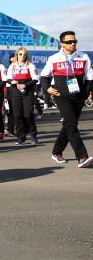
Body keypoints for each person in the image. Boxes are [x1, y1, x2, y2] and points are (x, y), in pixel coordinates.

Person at [41, 31, 93, 167]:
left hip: (78, 96)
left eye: (75, 41)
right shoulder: (54, 58)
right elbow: (44, 76)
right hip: (61, 96)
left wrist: (86, 93)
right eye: (69, 42)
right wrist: (47, 88)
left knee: (69, 125)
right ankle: (82, 156)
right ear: (62, 43)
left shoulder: (84, 57)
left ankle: (56, 152)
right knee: (71, 124)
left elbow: (89, 77)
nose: (73, 44)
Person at [7, 48, 39, 145]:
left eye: (24, 54)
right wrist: (11, 81)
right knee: (18, 115)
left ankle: (33, 135)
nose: (22, 56)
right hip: (16, 93)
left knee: (28, 115)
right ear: (17, 55)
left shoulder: (30, 65)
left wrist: (25, 85)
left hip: (27, 93)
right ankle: (21, 137)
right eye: (20, 54)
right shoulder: (12, 66)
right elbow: (8, 78)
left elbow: (35, 79)